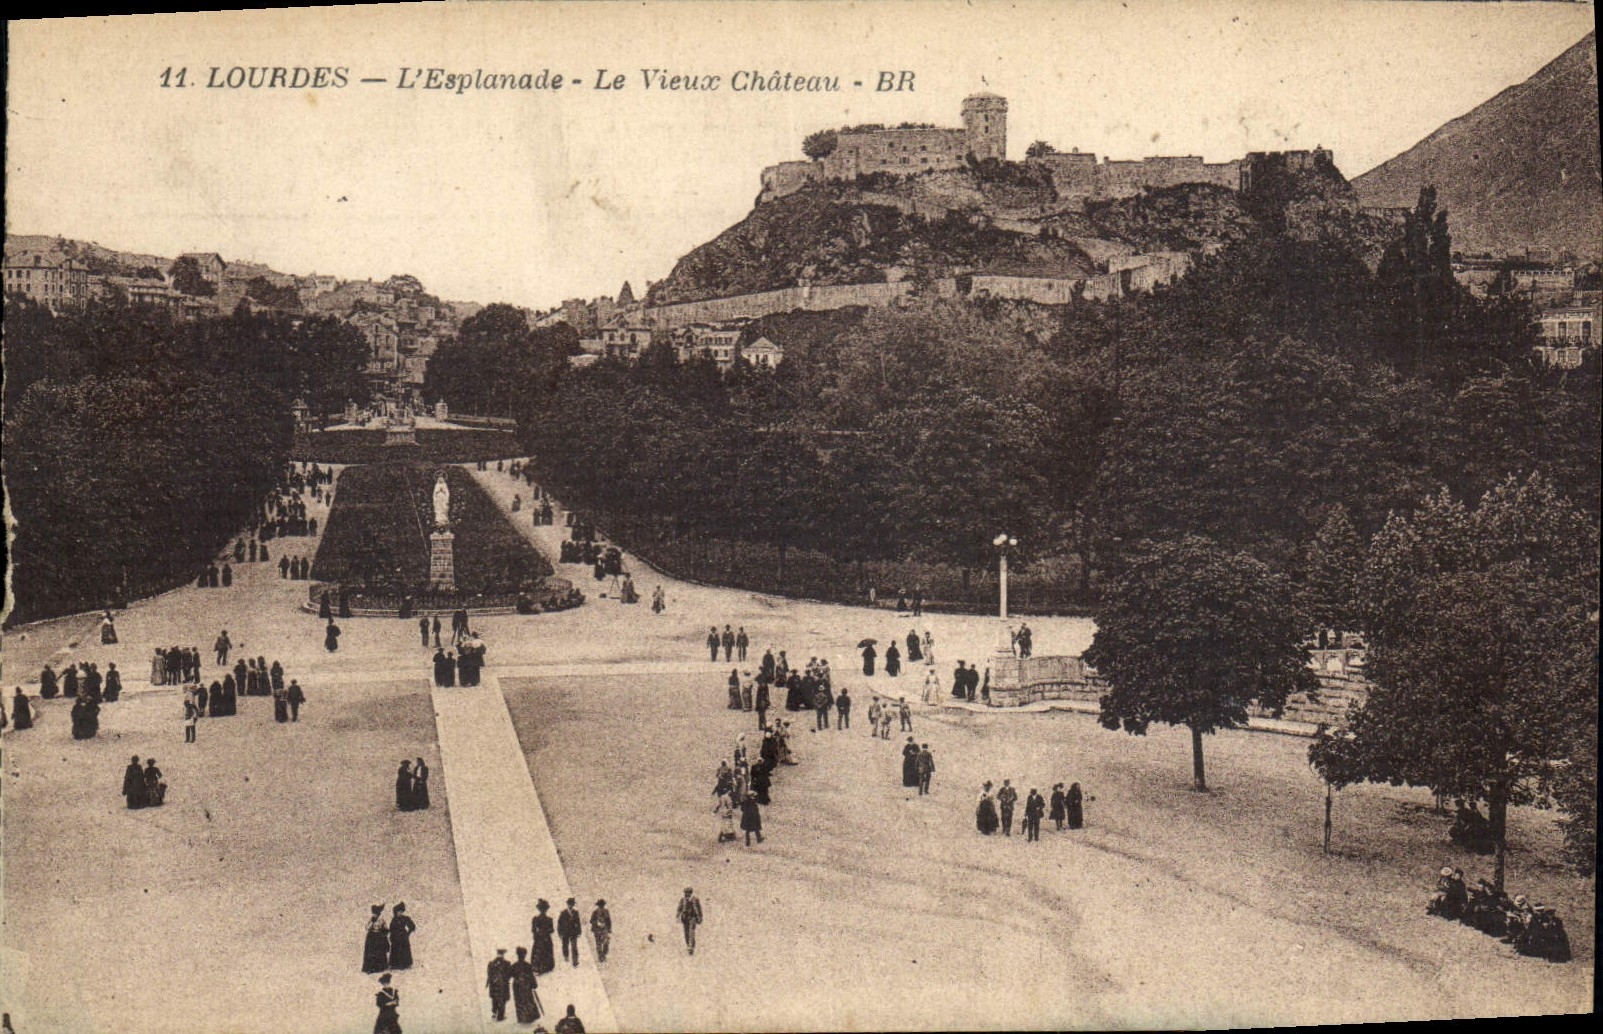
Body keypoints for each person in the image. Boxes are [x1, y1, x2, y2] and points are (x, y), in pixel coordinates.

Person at [509, 948, 541, 1025]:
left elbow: (509, 975)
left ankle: (521, 1018)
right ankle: (530, 1017)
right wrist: (534, 985)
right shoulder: (528, 966)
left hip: (517, 987)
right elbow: (532, 977)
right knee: (528, 1000)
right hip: (527, 986)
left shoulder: (514, 966)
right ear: (524, 955)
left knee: (519, 1002)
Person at [486, 949, 512, 1021]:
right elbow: (509, 975)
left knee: (494, 998)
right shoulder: (507, 963)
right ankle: (500, 1015)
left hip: (494, 985)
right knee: (502, 999)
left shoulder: (491, 963)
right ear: (503, 954)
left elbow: (489, 974)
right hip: (503, 985)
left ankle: (494, 1012)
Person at [531, 900, 556, 975]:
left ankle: (538, 967)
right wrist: (546, 932)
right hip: (546, 938)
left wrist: (537, 935)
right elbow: (551, 930)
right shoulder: (549, 919)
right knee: (546, 951)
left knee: (539, 951)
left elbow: (533, 930)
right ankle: (545, 967)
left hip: (539, 938)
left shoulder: (536, 919)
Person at [388, 904, 416, 970]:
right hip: (395, 936)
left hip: (403, 936)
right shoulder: (394, 919)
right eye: (398, 911)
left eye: (400, 911)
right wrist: (391, 936)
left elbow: (412, 926)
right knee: (395, 949)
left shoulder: (406, 918)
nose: (399, 913)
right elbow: (391, 928)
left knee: (404, 949)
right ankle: (395, 964)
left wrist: (408, 934)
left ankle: (406, 964)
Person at [362, 905, 390, 972]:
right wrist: (372, 922)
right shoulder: (371, 919)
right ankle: (370, 968)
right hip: (371, 937)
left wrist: (384, 933)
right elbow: (367, 928)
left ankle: (379, 967)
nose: (375, 915)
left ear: (378, 914)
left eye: (376, 914)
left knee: (379, 952)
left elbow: (385, 928)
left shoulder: (381, 920)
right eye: (374, 914)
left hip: (379, 937)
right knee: (371, 952)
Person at [677, 887, 703, 955]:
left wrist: (700, 918)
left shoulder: (695, 899)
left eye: (688, 893)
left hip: (692, 918)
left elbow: (699, 909)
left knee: (691, 932)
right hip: (685, 919)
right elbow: (679, 908)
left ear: (690, 893)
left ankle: (691, 947)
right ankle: (688, 944)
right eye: (685, 893)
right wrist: (678, 916)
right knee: (686, 934)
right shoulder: (682, 900)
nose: (686, 894)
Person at [558, 898, 582, 967]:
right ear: (567, 904)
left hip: (573, 932)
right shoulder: (563, 913)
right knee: (565, 945)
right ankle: (566, 956)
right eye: (569, 904)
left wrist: (579, 931)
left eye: (572, 904)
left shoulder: (575, 912)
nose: (570, 905)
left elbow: (578, 923)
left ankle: (575, 961)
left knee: (574, 946)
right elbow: (559, 923)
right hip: (565, 932)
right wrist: (560, 933)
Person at [589, 900, 612, 964]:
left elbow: (609, 921)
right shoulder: (595, 912)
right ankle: (600, 957)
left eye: (602, 905)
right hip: (597, 930)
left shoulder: (606, 911)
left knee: (606, 942)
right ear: (598, 906)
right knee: (598, 944)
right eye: (600, 905)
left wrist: (609, 929)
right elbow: (591, 920)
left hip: (604, 930)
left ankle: (603, 955)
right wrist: (597, 923)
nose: (601, 907)